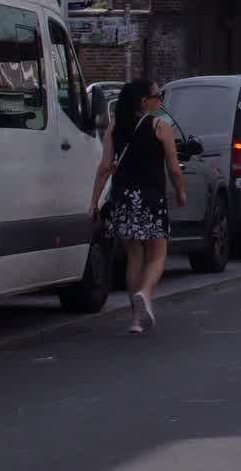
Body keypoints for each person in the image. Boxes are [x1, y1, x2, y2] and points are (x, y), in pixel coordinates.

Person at [86, 80, 187, 335]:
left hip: (123, 197)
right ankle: (145, 293)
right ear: (144, 101)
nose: (160, 101)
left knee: (134, 255)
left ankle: (135, 319)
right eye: (157, 96)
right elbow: (174, 168)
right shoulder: (161, 126)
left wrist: (94, 202)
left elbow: (105, 167)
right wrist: (180, 192)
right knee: (158, 253)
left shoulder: (115, 127)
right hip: (151, 197)